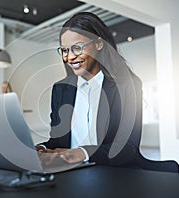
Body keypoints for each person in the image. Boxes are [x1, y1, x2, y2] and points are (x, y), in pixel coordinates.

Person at [36, 12, 142, 167]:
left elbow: (128, 147)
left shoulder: (127, 85)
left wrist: (81, 154)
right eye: (65, 50)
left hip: (113, 175)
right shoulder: (60, 89)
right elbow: (58, 141)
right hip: (71, 175)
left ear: (99, 44)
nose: (69, 57)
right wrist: (42, 149)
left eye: (77, 48)